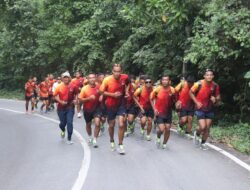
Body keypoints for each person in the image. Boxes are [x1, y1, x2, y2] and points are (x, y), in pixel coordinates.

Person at [99, 64, 129, 154]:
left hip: (121, 104)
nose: (117, 73)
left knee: (121, 124)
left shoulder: (125, 77)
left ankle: (120, 144)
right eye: (115, 71)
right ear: (112, 71)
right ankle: (112, 140)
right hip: (110, 105)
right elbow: (101, 91)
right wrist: (113, 95)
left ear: (121, 71)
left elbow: (128, 84)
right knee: (111, 125)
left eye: (119, 71)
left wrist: (126, 92)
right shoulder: (107, 80)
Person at [190, 69, 221, 150]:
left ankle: (203, 143)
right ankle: (197, 133)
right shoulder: (198, 84)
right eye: (207, 75)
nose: (209, 76)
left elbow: (218, 97)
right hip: (200, 108)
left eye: (211, 75)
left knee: (207, 127)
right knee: (203, 126)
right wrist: (196, 102)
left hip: (210, 108)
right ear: (204, 76)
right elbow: (190, 92)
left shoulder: (215, 86)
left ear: (213, 76)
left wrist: (215, 99)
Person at [150, 75, 176, 149]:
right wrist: (154, 109)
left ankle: (164, 143)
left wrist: (177, 104)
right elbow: (151, 99)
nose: (165, 81)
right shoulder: (157, 89)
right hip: (159, 112)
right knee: (161, 129)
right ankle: (158, 137)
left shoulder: (172, 90)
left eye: (166, 80)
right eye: (163, 80)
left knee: (167, 128)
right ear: (161, 81)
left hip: (168, 112)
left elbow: (175, 100)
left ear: (169, 81)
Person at [54, 71, 79, 145]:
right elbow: (55, 96)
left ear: (69, 78)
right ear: (62, 79)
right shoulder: (59, 87)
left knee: (69, 122)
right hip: (61, 108)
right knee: (62, 124)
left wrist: (76, 100)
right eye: (64, 77)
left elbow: (77, 94)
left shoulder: (73, 86)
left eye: (67, 77)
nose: (66, 79)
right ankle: (63, 130)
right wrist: (60, 102)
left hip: (70, 107)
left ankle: (69, 138)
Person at [79, 73, 101, 148]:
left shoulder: (99, 86)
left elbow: (102, 93)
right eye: (90, 78)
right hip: (87, 109)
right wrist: (88, 98)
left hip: (97, 108)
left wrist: (101, 97)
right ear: (88, 79)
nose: (92, 79)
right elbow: (80, 100)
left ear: (95, 78)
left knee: (97, 123)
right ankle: (90, 137)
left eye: (93, 77)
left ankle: (95, 139)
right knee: (88, 125)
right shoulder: (84, 88)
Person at [133, 76, 154, 141]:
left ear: (151, 83)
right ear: (144, 83)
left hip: (150, 108)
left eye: (149, 82)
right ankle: (142, 128)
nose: (148, 83)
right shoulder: (140, 89)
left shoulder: (153, 89)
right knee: (143, 121)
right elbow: (133, 96)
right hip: (143, 108)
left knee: (150, 121)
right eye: (146, 82)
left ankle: (148, 135)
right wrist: (140, 106)